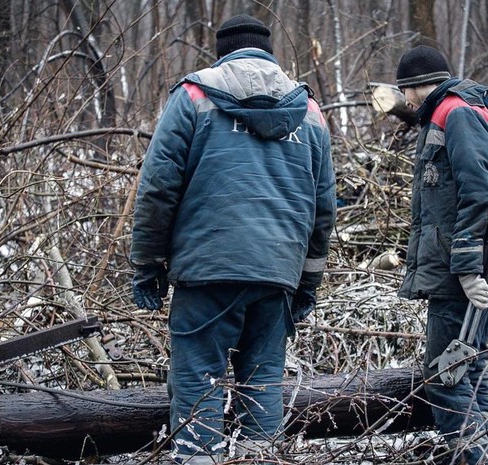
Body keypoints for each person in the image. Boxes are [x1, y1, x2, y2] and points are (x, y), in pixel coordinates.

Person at [130, 14, 336, 465]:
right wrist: (306, 284)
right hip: (277, 272)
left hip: (208, 269)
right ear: (269, 52)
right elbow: (323, 210)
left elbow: (158, 188)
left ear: (221, 51)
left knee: (198, 378)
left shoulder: (194, 95)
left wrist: (147, 263)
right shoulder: (310, 111)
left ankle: (197, 457)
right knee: (262, 383)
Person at [395, 45, 488, 464]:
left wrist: (470, 270)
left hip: (464, 271)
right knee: (468, 369)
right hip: (463, 267)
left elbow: (482, 194)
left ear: (415, 86)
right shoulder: (448, 112)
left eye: (407, 92)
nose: (407, 102)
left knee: (445, 376)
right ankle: (487, 458)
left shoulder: (455, 113)